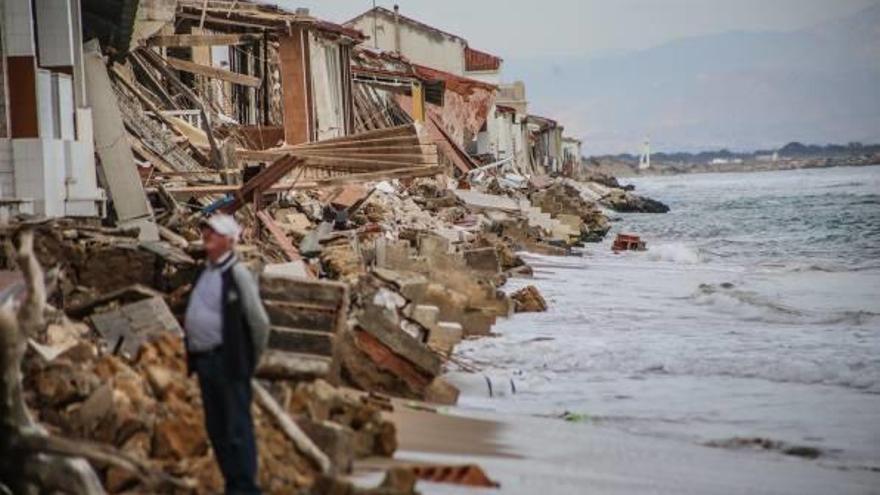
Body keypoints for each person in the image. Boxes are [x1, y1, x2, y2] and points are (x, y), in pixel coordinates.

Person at [184, 213, 270, 494]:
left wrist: (247, 360)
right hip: (205, 362)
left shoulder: (237, 274)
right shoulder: (206, 271)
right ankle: (232, 483)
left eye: (215, 233)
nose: (208, 236)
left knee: (236, 430)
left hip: (228, 363)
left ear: (230, 241)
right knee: (217, 429)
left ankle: (245, 488)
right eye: (206, 231)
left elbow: (259, 322)